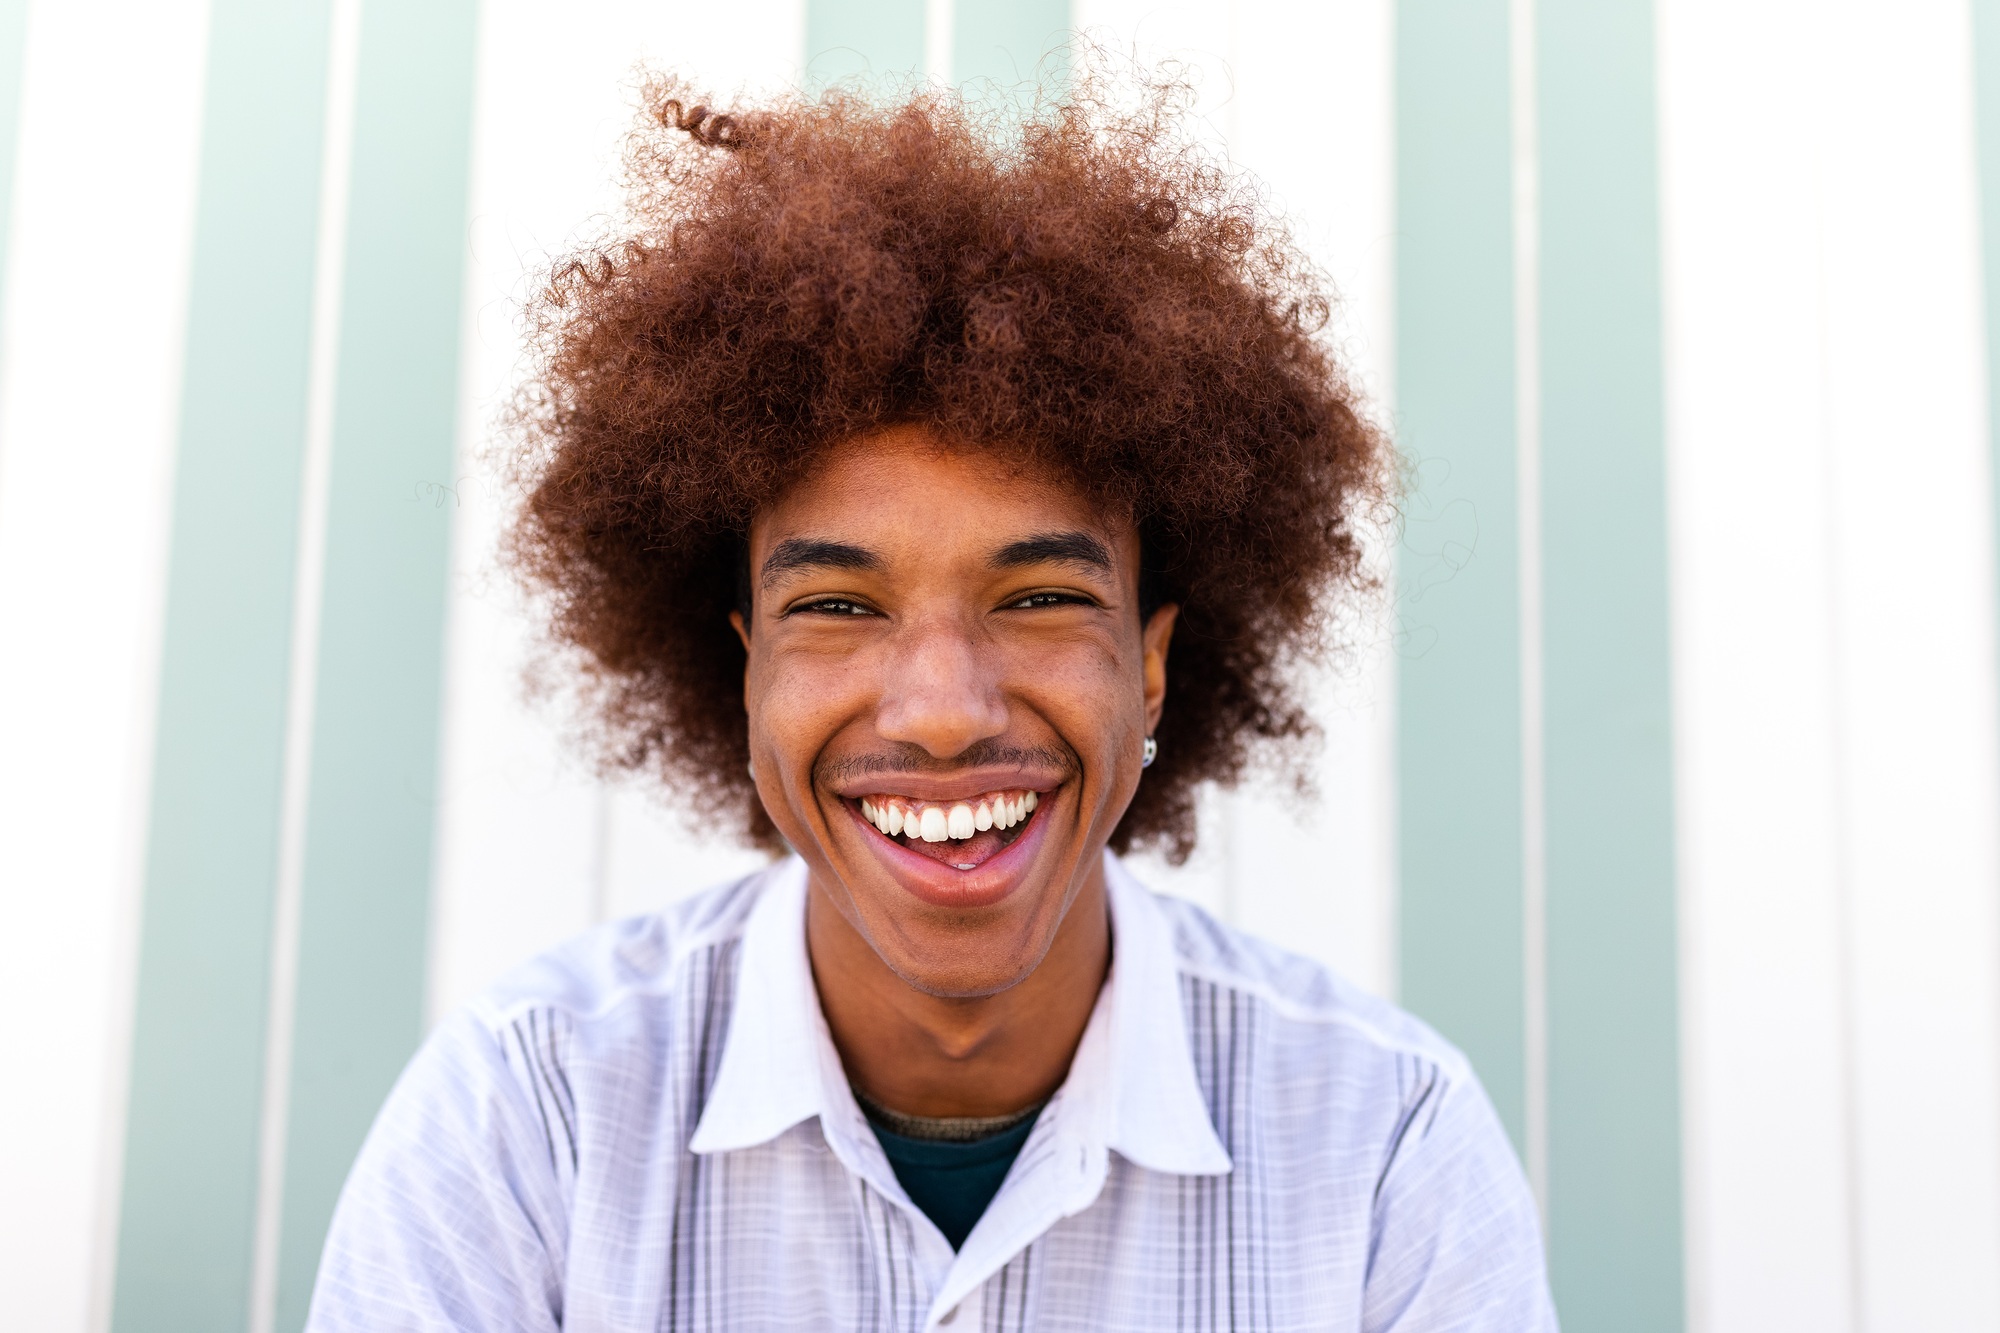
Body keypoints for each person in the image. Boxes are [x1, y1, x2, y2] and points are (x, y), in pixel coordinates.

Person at [306, 72, 1555, 1331]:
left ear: (1154, 663)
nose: (945, 710)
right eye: (839, 608)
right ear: (744, 675)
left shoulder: (1389, 1147)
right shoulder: (526, 1121)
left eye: (1039, 599)